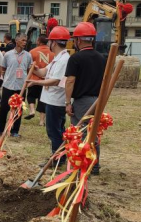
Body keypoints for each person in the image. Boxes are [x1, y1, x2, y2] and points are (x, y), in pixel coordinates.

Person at [64, 22, 107, 174]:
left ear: (79, 40)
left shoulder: (75, 58)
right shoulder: (102, 58)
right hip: (98, 100)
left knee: (80, 132)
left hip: (82, 101)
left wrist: (68, 102)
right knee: (93, 131)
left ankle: (84, 163)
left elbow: (70, 81)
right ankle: (94, 165)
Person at [28, 26, 71, 163]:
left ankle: (57, 158)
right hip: (51, 99)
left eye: (50, 41)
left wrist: (36, 83)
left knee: (54, 131)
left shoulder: (64, 59)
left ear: (55, 42)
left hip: (56, 101)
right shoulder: (57, 58)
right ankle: (60, 156)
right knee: (56, 130)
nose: (48, 44)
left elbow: (56, 80)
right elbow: (44, 73)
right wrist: (34, 70)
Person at [0, 33, 32, 138]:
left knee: (19, 109)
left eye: (25, 40)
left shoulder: (28, 55)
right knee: (4, 108)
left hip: (21, 87)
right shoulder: (8, 54)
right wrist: (2, 78)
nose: (25, 42)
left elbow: (28, 69)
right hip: (8, 85)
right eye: (23, 40)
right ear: (17, 41)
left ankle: (15, 131)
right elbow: (3, 68)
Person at [25, 35, 54, 125]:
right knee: (43, 101)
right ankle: (41, 121)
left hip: (34, 79)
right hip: (46, 80)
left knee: (31, 96)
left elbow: (28, 66)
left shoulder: (32, 52)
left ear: (38, 41)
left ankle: (32, 110)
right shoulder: (53, 53)